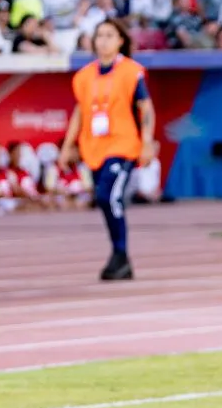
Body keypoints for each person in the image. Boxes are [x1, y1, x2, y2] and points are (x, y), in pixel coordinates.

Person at [60, 18, 155, 281]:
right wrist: (68, 146)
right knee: (104, 200)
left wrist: (146, 141)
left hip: (122, 145)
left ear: (120, 41)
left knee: (108, 197)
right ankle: (119, 256)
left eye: (109, 35)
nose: (103, 40)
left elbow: (145, 108)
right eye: (99, 35)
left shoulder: (131, 72)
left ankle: (120, 254)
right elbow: (79, 112)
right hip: (94, 147)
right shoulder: (83, 76)